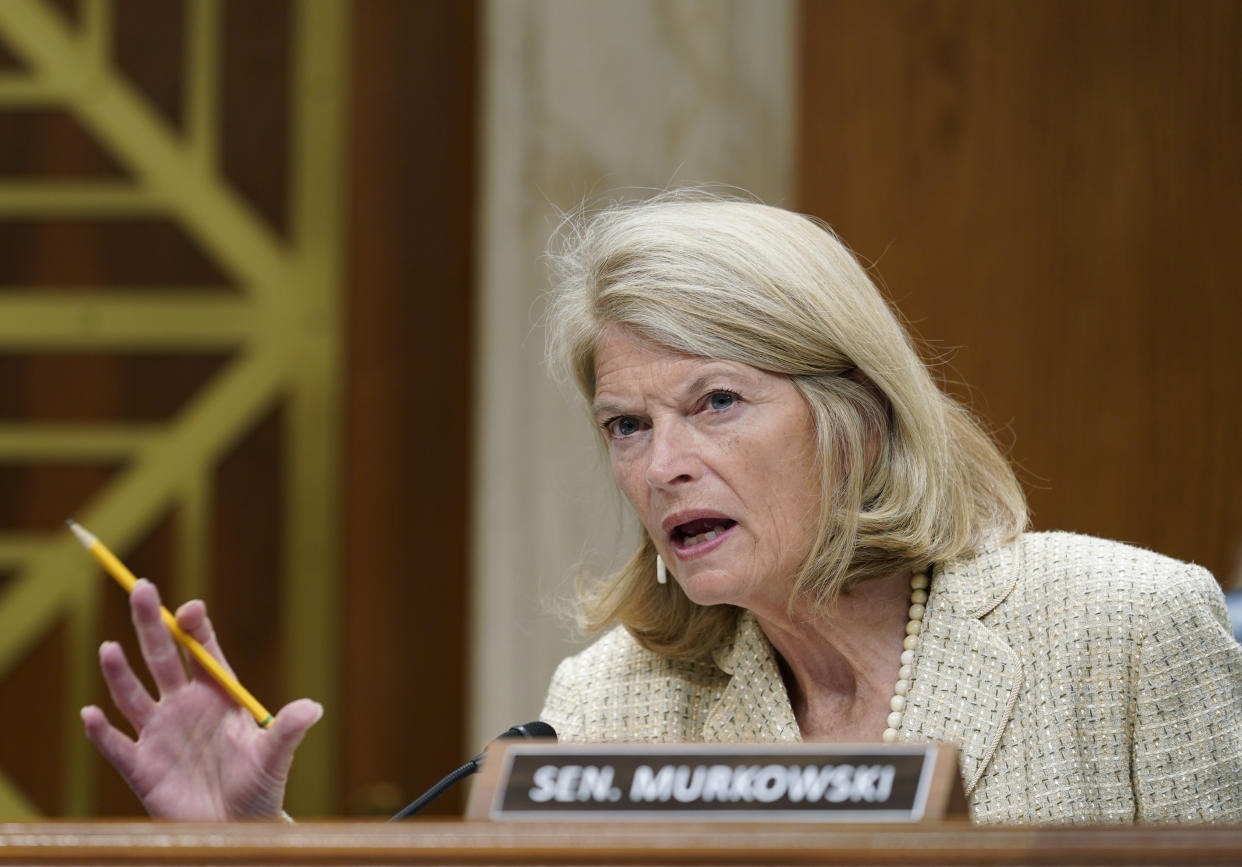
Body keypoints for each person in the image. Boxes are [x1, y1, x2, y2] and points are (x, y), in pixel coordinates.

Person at [83, 192, 1242, 824]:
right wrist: (254, 852)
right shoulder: (608, 705)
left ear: (860, 414)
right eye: (626, 427)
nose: (660, 466)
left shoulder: (1125, 629)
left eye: (717, 403)